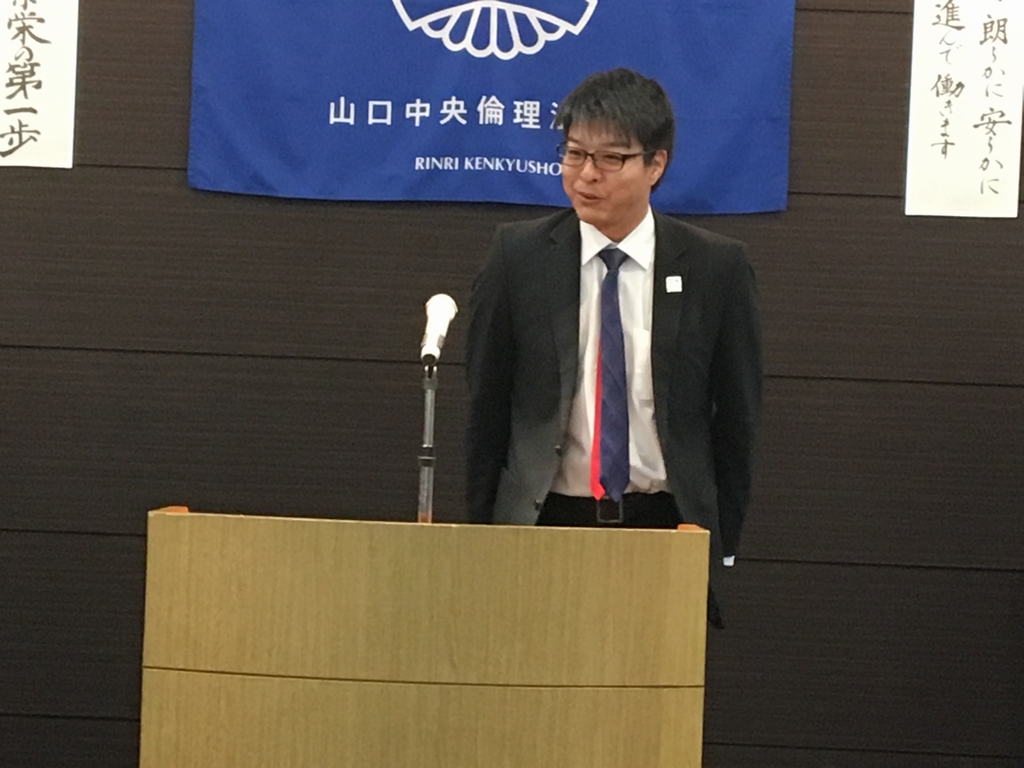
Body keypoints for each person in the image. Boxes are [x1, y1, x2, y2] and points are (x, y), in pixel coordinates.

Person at [464, 68, 762, 627]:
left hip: (666, 527)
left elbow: (737, 419)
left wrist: (719, 538)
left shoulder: (715, 267)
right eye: (574, 154)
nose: (586, 175)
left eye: (610, 159)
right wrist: (479, 535)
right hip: (542, 522)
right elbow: (486, 407)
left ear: (656, 164)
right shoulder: (517, 257)